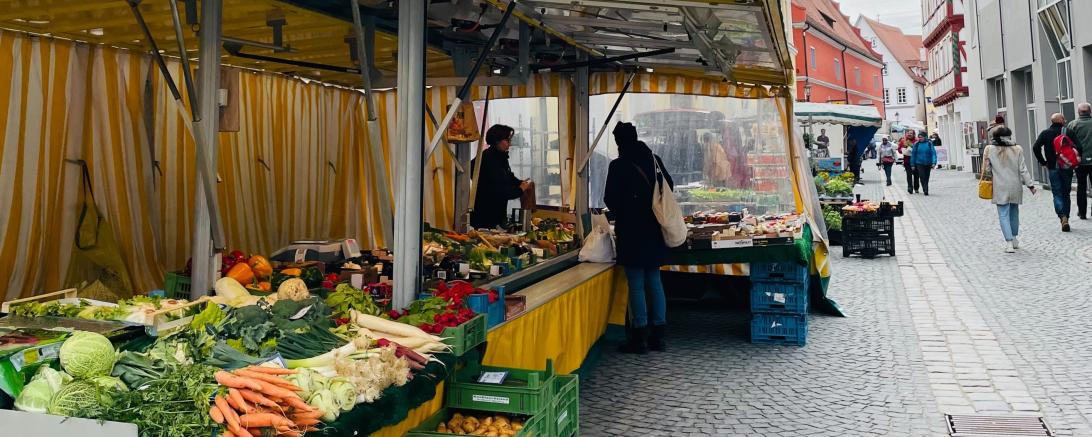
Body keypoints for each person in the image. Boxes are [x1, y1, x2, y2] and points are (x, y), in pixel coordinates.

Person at [604, 122, 675, 354]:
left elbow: (610, 199)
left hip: (631, 231)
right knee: (654, 280)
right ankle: (659, 336)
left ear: (619, 142)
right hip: (654, 228)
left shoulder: (618, 165)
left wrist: (626, 211)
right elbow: (669, 186)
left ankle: (640, 337)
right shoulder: (654, 159)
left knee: (636, 284)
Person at [982, 127, 1037, 253]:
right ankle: (1014, 238)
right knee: (1014, 212)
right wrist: (1030, 185)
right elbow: (1023, 169)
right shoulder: (1017, 149)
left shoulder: (989, 149)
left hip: (999, 185)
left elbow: (987, 169)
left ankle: (1009, 243)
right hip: (1015, 185)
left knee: (1003, 214)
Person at [470, 124, 531, 229]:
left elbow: (508, 176)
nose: (510, 144)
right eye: (507, 140)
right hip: (486, 215)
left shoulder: (500, 156)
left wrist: (519, 182)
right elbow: (500, 190)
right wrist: (520, 189)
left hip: (498, 213)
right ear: (497, 140)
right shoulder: (488, 159)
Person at [1033, 113, 1078, 232]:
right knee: (1066, 193)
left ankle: (1062, 217)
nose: (1065, 120)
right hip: (1067, 167)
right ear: (1061, 120)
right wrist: (1074, 160)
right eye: (1064, 118)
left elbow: (1036, 147)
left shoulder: (1045, 133)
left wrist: (1043, 162)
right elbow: (1079, 147)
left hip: (1053, 167)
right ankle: (1066, 217)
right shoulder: (1068, 132)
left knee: (1057, 193)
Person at [1066, 103, 1092, 219]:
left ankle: (1082, 212)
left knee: (1081, 186)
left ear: (1079, 112)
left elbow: (1067, 143)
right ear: (1090, 111)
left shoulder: (1072, 124)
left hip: (1079, 161)